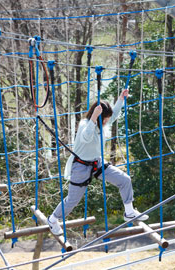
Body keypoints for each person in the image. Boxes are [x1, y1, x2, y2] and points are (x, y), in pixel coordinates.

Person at [47, 89, 148, 236]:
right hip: (80, 166)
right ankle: (53, 219)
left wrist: (120, 99)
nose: (107, 121)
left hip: (97, 163)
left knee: (125, 180)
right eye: (104, 118)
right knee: (72, 200)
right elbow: (86, 138)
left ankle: (129, 211)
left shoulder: (104, 124)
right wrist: (94, 118)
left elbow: (113, 116)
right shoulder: (85, 124)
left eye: (107, 118)